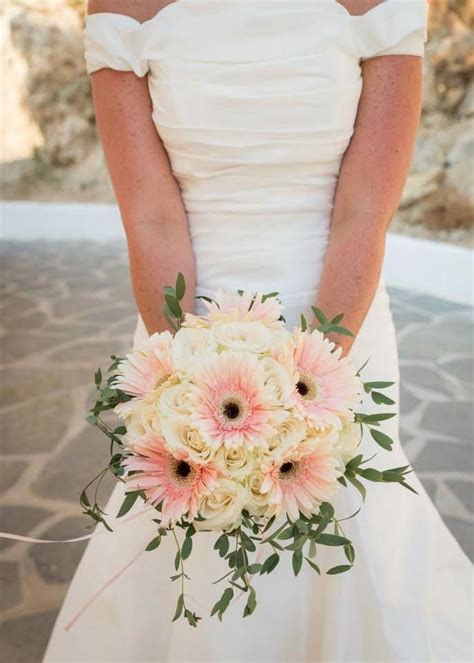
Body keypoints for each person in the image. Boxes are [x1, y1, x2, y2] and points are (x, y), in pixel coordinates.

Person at [44, 1, 472, 661]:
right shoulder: (121, 7)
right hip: (183, 318)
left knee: (353, 528)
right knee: (191, 529)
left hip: (340, 314)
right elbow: (154, 218)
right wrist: (191, 378)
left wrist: (312, 379)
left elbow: (363, 210)